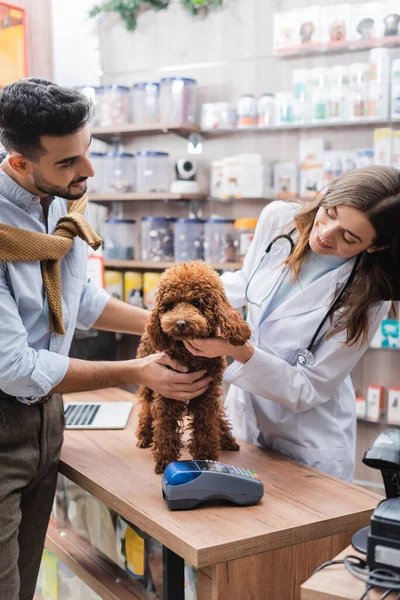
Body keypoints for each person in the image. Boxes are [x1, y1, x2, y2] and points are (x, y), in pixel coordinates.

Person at [0, 78, 211, 600]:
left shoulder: (56, 207)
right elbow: (13, 366)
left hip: (47, 420)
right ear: (20, 162)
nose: (88, 171)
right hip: (5, 415)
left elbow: (83, 302)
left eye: (87, 151)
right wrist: (132, 371)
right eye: (68, 162)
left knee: (22, 584)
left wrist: (164, 323)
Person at [184, 166, 400, 482]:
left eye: (349, 237)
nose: (326, 234)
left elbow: (309, 388)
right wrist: (195, 300)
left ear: (376, 246)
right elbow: (246, 282)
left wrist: (239, 350)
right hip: (244, 420)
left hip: (307, 444)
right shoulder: (278, 219)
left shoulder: (369, 297)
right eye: (330, 213)